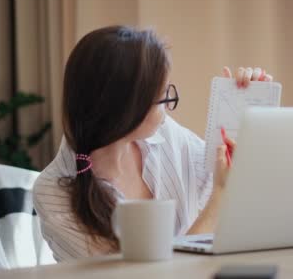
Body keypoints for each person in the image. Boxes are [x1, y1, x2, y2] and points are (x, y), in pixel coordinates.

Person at [33, 25, 274, 261]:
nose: (168, 105)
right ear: (127, 110)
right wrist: (220, 195)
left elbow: (230, 171)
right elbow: (144, 276)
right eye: (163, 96)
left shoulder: (165, 135)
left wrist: (246, 104)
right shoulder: (54, 193)